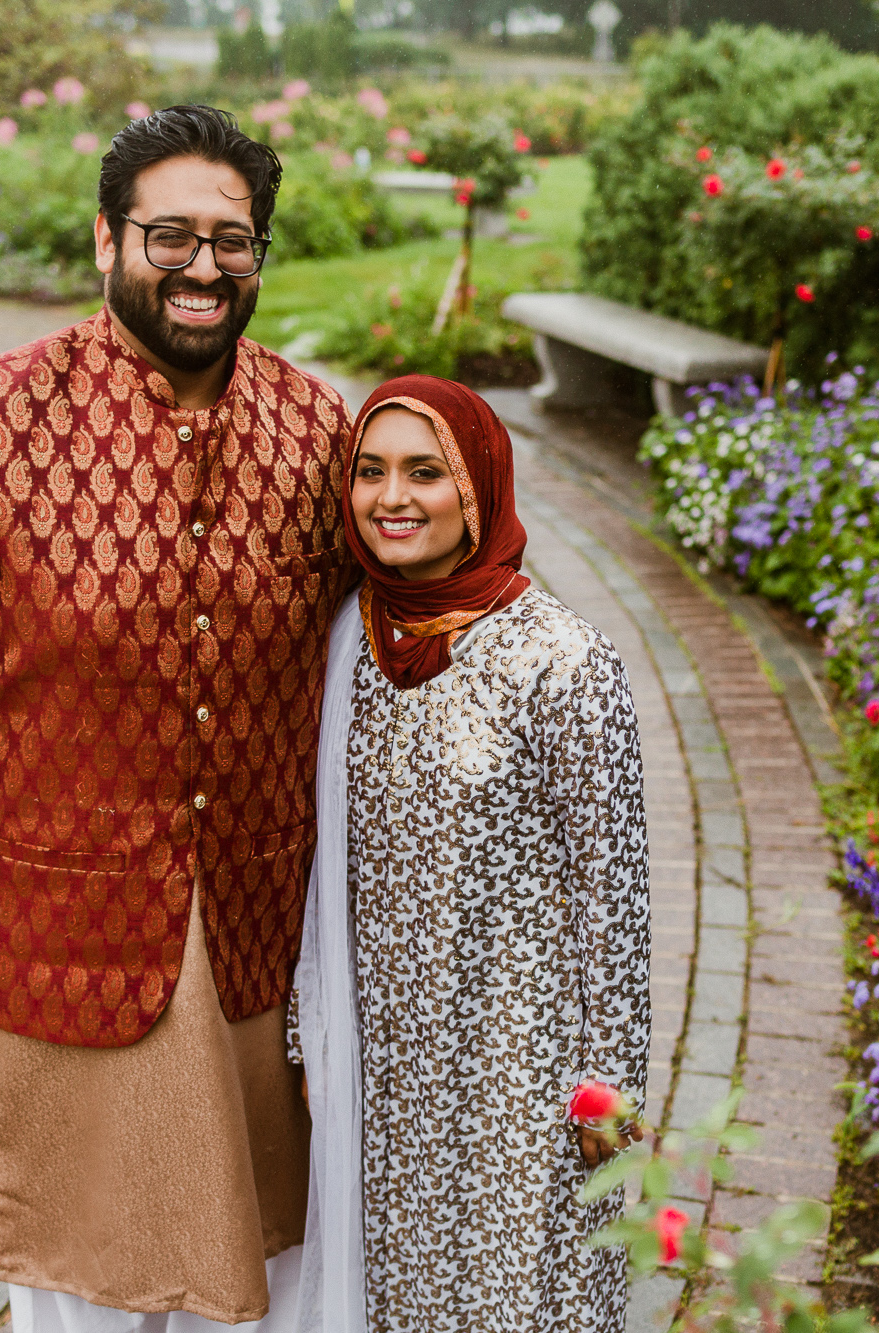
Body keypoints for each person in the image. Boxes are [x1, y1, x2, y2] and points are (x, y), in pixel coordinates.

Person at [0, 105, 355, 1330]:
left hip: (251, 933)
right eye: (168, 235)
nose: (201, 267)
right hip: (50, 932)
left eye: (232, 240)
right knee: (79, 1281)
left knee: (261, 1257)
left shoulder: (321, 429)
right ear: (104, 241)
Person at [289, 376, 652, 1333]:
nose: (391, 497)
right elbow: (314, 866)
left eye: (424, 471)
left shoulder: (563, 663)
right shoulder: (352, 639)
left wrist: (608, 1098)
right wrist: (306, 1036)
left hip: (517, 1070)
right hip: (386, 1068)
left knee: (517, 1301)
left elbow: (612, 906)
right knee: (397, 1297)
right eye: (368, 473)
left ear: (479, 486)